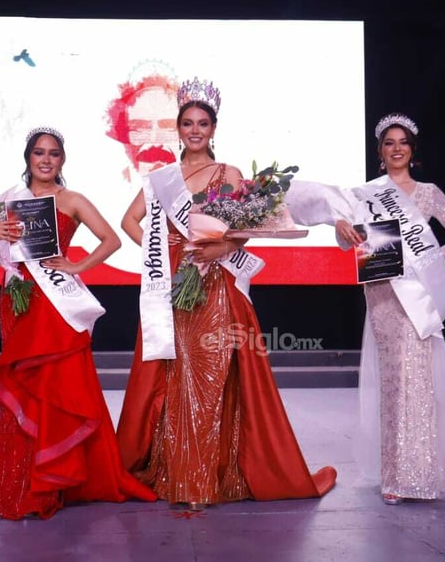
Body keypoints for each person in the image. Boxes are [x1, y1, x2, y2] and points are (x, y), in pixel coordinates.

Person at [116, 77, 337, 510]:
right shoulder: (161, 178)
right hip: (175, 285)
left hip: (216, 285)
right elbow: (129, 222)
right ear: (177, 129)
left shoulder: (229, 174)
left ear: (213, 129)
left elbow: (249, 228)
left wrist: (223, 246)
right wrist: (165, 251)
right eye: (187, 123)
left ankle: (207, 478)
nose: (194, 130)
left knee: (212, 378)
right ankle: (178, 473)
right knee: (176, 378)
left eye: (202, 123)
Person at [287, 113, 445, 505]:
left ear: (412, 151)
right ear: (380, 152)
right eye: (389, 143)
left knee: (417, 383)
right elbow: (348, 240)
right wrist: (341, 229)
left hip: (417, 295)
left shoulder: (429, 193)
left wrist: (432, 258)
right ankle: (393, 478)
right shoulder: (367, 193)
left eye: (403, 142)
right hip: (383, 292)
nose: (396, 148)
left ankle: (420, 476)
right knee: (392, 386)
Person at [0, 126, 156, 519]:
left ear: (63, 160)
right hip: (17, 299)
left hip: (57, 302)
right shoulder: (8, 203)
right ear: (27, 158)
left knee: (58, 384)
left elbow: (110, 240)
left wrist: (77, 264)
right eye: (39, 153)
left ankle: (56, 480)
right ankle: (18, 477)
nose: (46, 160)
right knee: (24, 386)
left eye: (54, 154)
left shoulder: (72, 199)